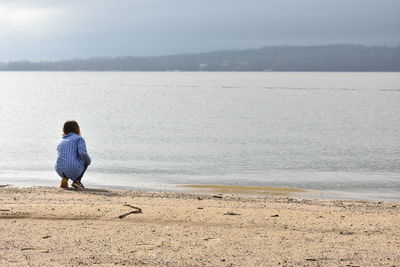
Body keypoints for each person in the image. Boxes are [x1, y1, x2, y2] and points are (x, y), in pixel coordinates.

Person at [55, 120, 91, 189]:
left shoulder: (62, 140)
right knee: (86, 161)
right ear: (77, 129)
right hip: (72, 169)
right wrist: (88, 161)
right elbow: (83, 153)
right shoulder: (79, 138)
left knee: (67, 158)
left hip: (59, 169)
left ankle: (65, 179)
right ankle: (77, 181)